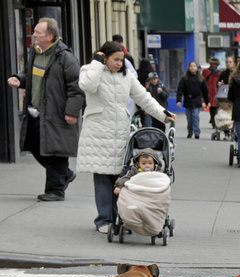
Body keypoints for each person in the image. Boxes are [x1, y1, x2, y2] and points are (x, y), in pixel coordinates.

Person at [76, 41, 175, 233]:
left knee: (121, 178)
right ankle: (104, 220)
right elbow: (87, 86)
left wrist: (163, 113)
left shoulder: (126, 76)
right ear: (104, 57)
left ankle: (120, 218)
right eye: (116, 59)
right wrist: (97, 62)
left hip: (120, 131)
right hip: (98, 133)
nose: (120, 63)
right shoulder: (90, 70)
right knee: (103, 178)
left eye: (122, 60)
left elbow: (143, 98)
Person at [6, 17, 83, 202]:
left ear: (50, 36)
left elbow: (77, 87)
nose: (33, 35)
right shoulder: (36, 51)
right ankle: (65, 174)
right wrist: (20, 79)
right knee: (33, 145)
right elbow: (34, 77)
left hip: (57, 112)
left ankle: (56, 190)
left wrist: (72, 112)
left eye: (37, 33)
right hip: (37, 112)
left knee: (56, 151)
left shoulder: (65, 57)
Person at [176, 61, 209, 139]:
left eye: (194, 66)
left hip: (197, 100)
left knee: (195, 116)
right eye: (191, 66)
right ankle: (190, 132)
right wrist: (179, 100)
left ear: (197, 68)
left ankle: (197, 132)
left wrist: (207, 102)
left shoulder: (201, 78)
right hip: (188, 100)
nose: (192, 67)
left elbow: (205, 91)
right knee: (189, 118)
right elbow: (180, 89)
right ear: (188, 68)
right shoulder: (184, 78)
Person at [203, 58, 221, 128]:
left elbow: (202, 80)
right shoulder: (219, 72)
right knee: (216, 107)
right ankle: (214, 120)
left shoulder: (205, 71)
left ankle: (212, 119)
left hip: (208, 91)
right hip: (217, 91)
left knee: (211, 106)